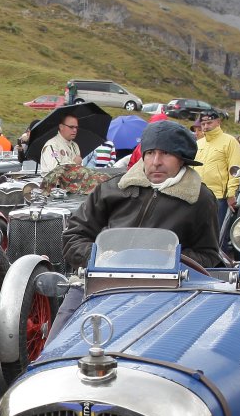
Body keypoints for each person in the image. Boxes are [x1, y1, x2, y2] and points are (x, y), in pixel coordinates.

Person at [51, 119, 223, 338]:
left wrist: (167, 260)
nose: (156, 162)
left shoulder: (200, 199)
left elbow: (208, 254)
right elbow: (75, 234)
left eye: (166, 154)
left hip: (166, 292)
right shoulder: (113, 187)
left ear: (182, 159)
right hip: (98, 283)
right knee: (57, 343)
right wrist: (99, 257)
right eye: (150, 153)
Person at [193, 108, 240, 232]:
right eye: (203, 124)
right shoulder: (198, 144)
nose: (206, 126)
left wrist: (231, 194)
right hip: (197, 195)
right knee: (197, 232)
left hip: (218, 197)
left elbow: (235, 169)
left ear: (218, 122)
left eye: (209, 123)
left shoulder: (230, 142)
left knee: (217, 233)